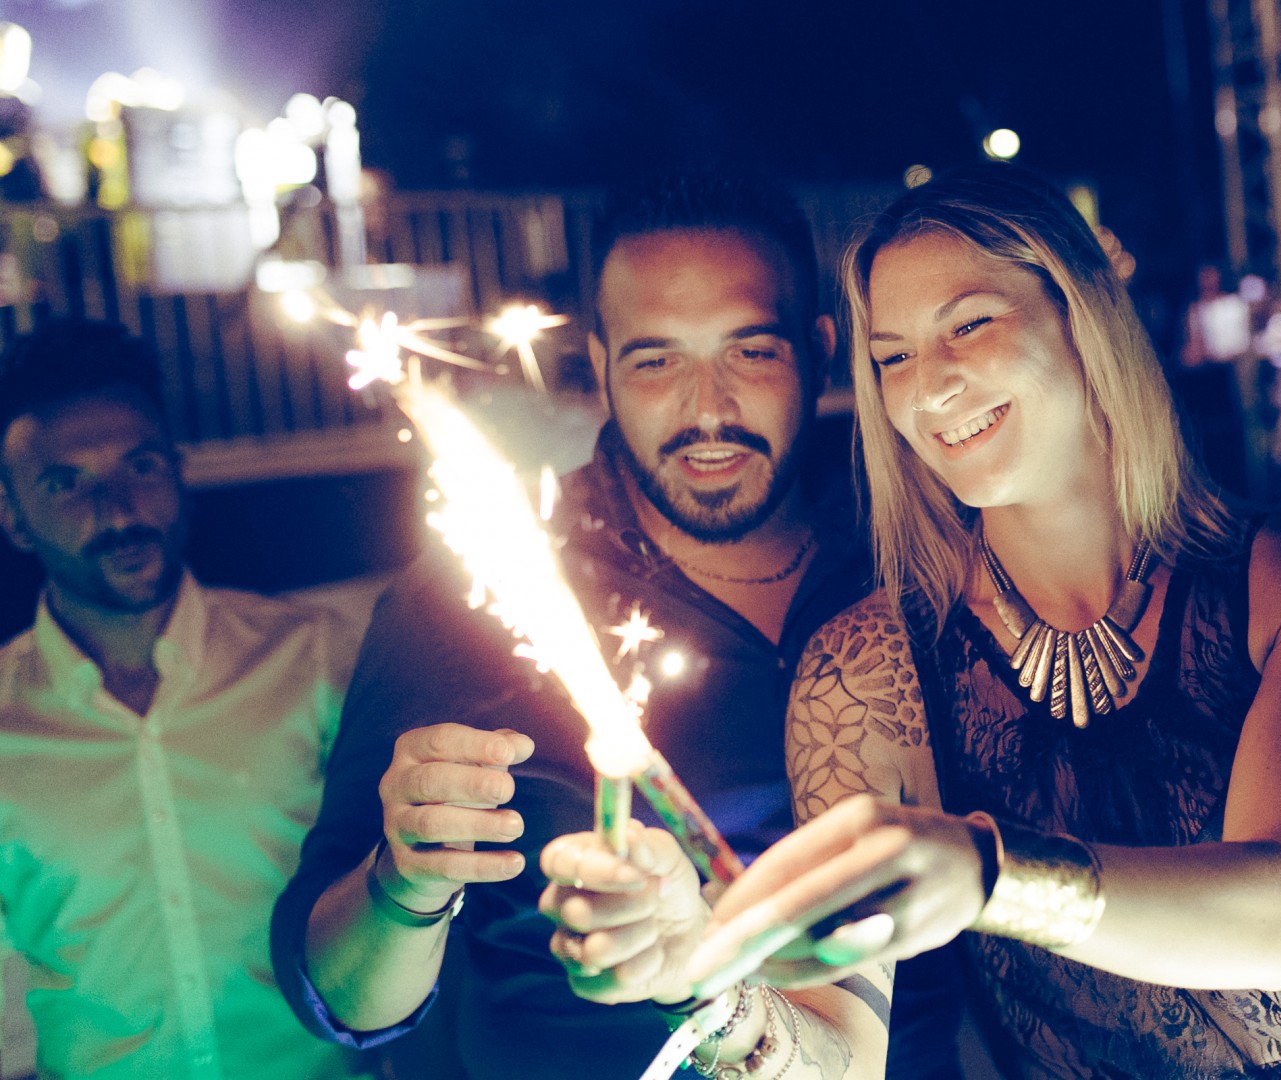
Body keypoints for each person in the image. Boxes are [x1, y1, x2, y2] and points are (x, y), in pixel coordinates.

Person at [545, 163, 1281, 1079]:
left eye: (969, 326)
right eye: (893, 357)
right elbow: (842, 1054)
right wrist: (706, 986)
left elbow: (1272, 925)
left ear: (1080, 315)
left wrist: (988, 875)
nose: (931, 386)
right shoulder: (867, 669)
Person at [269, 172, 901, 1079]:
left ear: (820, 348)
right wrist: (405, 883)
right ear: (600, 365)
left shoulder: (911, 563)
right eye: (656, 362)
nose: (707, 409)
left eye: (750, 352)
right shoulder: (472, 592)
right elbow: (339, 999)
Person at [0, 318, 370, 1078]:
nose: (118, 510)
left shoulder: (316, 658)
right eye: (66, 484)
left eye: (140, 466)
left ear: (178, 471)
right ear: (14, 518)